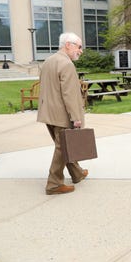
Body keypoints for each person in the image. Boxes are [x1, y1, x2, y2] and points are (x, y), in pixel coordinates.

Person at [37, 32, 88, 195]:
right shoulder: (66, 64)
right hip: (61, 115)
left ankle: (77, 173)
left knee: (65, 146)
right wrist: (76, 118)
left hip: (48, 113)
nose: (80, 51)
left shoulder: (49, 61)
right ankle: (54, 184)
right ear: (68, 45)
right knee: (62, 148)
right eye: (79, 47)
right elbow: (70, 94)